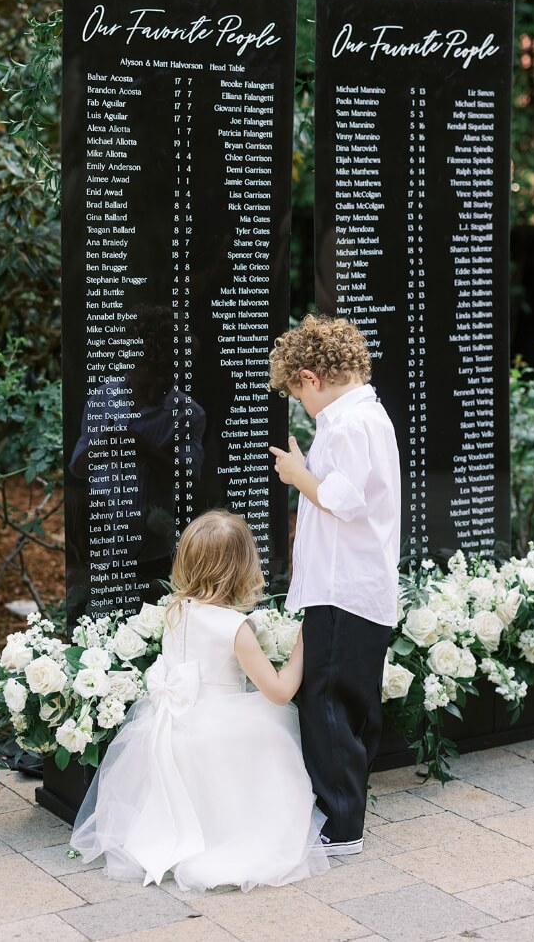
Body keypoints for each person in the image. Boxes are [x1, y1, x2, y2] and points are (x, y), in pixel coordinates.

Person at [70, 509, 329, 891]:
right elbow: (278, 691)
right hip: (220, 736)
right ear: (244, 567)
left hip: (175, 728)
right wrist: (303, 645)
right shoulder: (235, 628)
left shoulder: (176, 610)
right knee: (272, 754)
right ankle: (231, 835)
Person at [268, 313, 401, 857]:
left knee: (327, 702)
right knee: (351, 701)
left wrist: (299, 477)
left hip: (343, 589)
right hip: (358, 588)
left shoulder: (348, 425)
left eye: (296, 393)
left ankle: (341, 826)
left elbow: (344, 499)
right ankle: (346, 812)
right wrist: (308, 467)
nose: (300, 403)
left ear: (310, 377)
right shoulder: (364, 416)